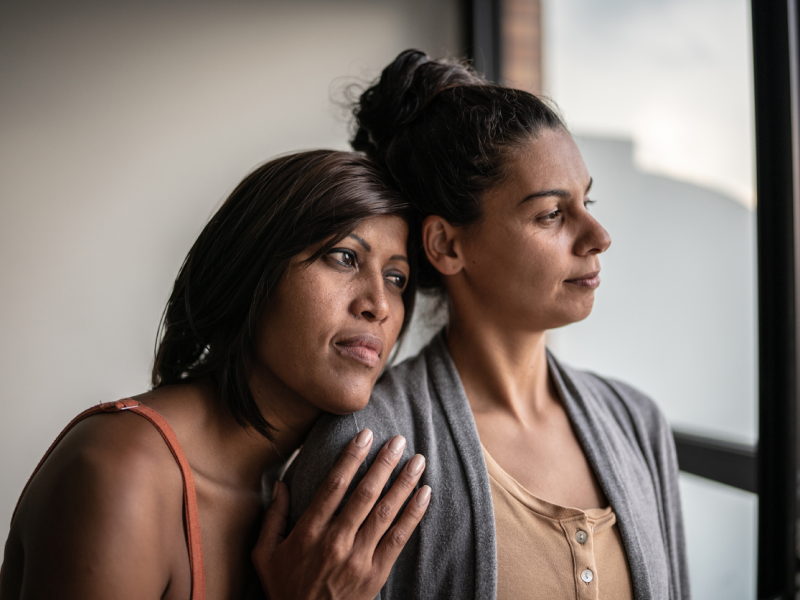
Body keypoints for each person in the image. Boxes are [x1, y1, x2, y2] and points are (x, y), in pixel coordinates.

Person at [282, 51, 690, 599]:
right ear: (447, 245)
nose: (598, 235)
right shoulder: (367, 448)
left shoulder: (638, 425)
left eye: (587, 201)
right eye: (551, 214)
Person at [0, 150, 432, 600]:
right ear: (252, 270)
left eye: (396, 278)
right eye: (344, 257)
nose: (379, 305)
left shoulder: (293, 501)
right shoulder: (123, 473)